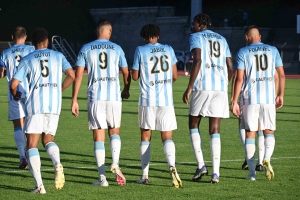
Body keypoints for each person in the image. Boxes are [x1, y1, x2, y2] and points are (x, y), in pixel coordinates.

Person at [10, 28, 75, 193]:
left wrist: (16, 94)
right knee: (48, 139)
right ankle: (56, 163)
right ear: (47, 41)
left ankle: (39, 186)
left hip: (36, 104)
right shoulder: (58, 56)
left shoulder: (27, 58)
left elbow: (13, 84)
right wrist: (60, 89)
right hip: (54, 104)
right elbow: (72, 75)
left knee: (32, 144)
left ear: (33, 43)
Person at [71, 19, 131, 187]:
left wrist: (74, 99)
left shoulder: (86, 48)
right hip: (114, 97)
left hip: (96, 96)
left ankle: (103, 179)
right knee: (115, 131)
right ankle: (116, 163)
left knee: (99, 136)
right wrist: (126, 89)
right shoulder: (117, 48)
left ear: (97, 31)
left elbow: (79, 75)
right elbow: (127, 73)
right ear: (109, 32)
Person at [182, 13, 233, 184]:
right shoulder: (222, 39)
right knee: (215, 129)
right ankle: (216, 174)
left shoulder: (195, 36)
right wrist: (224, 82)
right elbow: (231, 67)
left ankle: (201, 165)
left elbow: (197, 60)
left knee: (193, 124)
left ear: (201, 24)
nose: (192, 26)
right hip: (220, 88)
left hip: (203, 86)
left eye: (194, 23)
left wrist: (189, 87)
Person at [231, 25, 285, 181]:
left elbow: (239, 79)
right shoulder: (273, 50)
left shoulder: (243, 52)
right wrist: (280, 94)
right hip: (269, 98)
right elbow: (281, 74)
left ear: (247, 37)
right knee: (269, 131)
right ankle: (266, 158)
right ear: (259, 37)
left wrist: (234, 101)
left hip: (250, 99)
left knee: (250, 133)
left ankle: (252, 174)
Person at [132, 24, 182, 188]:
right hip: (166, 100)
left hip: (148, 100)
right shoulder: (168, 49)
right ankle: (172, 167)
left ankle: (145, 176)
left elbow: (134, 76)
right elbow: (175, 75)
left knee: (146, 136)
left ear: (144, 36)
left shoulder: (140, 50)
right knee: (167, 137)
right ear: (158, 36)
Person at [0, 27, 35, 169]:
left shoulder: (5, 53)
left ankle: (22, 157)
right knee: (29, 123)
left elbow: (1, 74)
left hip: (13, 92)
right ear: (25, 37)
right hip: (30, 91)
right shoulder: (31, 50)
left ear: (12, 37)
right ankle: (30, 151)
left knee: (17, 126)